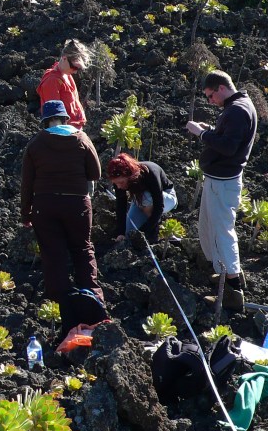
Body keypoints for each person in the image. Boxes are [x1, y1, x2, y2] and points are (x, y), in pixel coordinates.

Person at [186, 70, 258, 310]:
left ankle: (232, 289)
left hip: (223, 182)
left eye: (210, 96)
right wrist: (213, 130)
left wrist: (203, 134)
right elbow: (229, 139)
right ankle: (225, 275)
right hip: (218, 179)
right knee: (209, 227)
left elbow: (228, 148)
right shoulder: (238, 106)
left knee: (222, 233)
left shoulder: (237, 110)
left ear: (221, 88)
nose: (210, 101)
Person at [21, 100, 104, 305]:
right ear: (65, 118)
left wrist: (26, 213)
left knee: (52, 252)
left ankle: (60, 303)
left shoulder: (35, 143)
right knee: (82, 249)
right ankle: (93, 298)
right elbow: (96, 173)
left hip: (45, 205)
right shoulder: (81, 138)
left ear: (45, 121)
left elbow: (27, 183)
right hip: (77, 204)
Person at [107, 153, 177, 245]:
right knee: (130, 235)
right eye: (116, 184)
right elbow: (121, 205)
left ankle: (156, 230)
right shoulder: (119, 183)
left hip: (166, 198)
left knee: (145, 196)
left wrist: (144, 232)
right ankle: (149, 225)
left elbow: (159, 205)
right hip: (140, 201)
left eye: (121, 182)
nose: (118, 186)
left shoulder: (150, 173)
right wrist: (121, 232)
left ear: (130, 175)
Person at [36, 39, 90, 130]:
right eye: (74, 67)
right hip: (65, 133)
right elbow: (54, 118)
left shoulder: (66, 74)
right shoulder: (52, 81)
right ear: (64, 58)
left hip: (75, 131)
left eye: (78, 69)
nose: (75, 71)